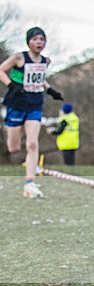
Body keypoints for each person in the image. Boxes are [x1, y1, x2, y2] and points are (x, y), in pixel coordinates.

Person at [0, 27, 64, 198]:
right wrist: (11, 85)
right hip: (17, 103)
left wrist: (51, 90)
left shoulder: (45, 61)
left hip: (35, 103)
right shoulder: (19, 58)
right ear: (29, 42)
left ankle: (29, 183)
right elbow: (0, 70)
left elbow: (40, 78)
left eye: (42, 39)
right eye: (35, 39)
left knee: (32, 144)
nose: (39, 42)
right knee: (13, 148)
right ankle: (17, 135)